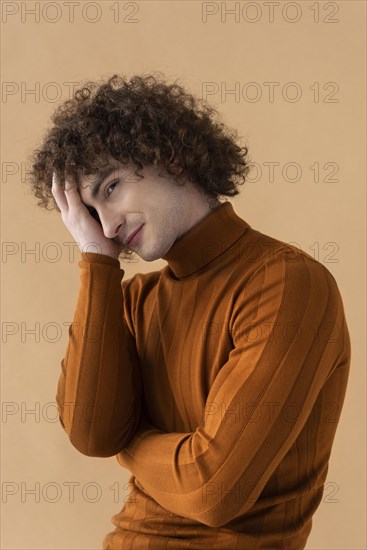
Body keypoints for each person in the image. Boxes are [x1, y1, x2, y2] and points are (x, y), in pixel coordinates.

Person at [28, 73, 351, 549]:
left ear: (170, 157)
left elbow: (213, 488)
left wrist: (132, 439)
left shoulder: (287, 283)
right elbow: (92, 434)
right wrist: (97, 263)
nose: (110, 225)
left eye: (111, 187)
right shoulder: (136, 300)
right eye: (93, 213)